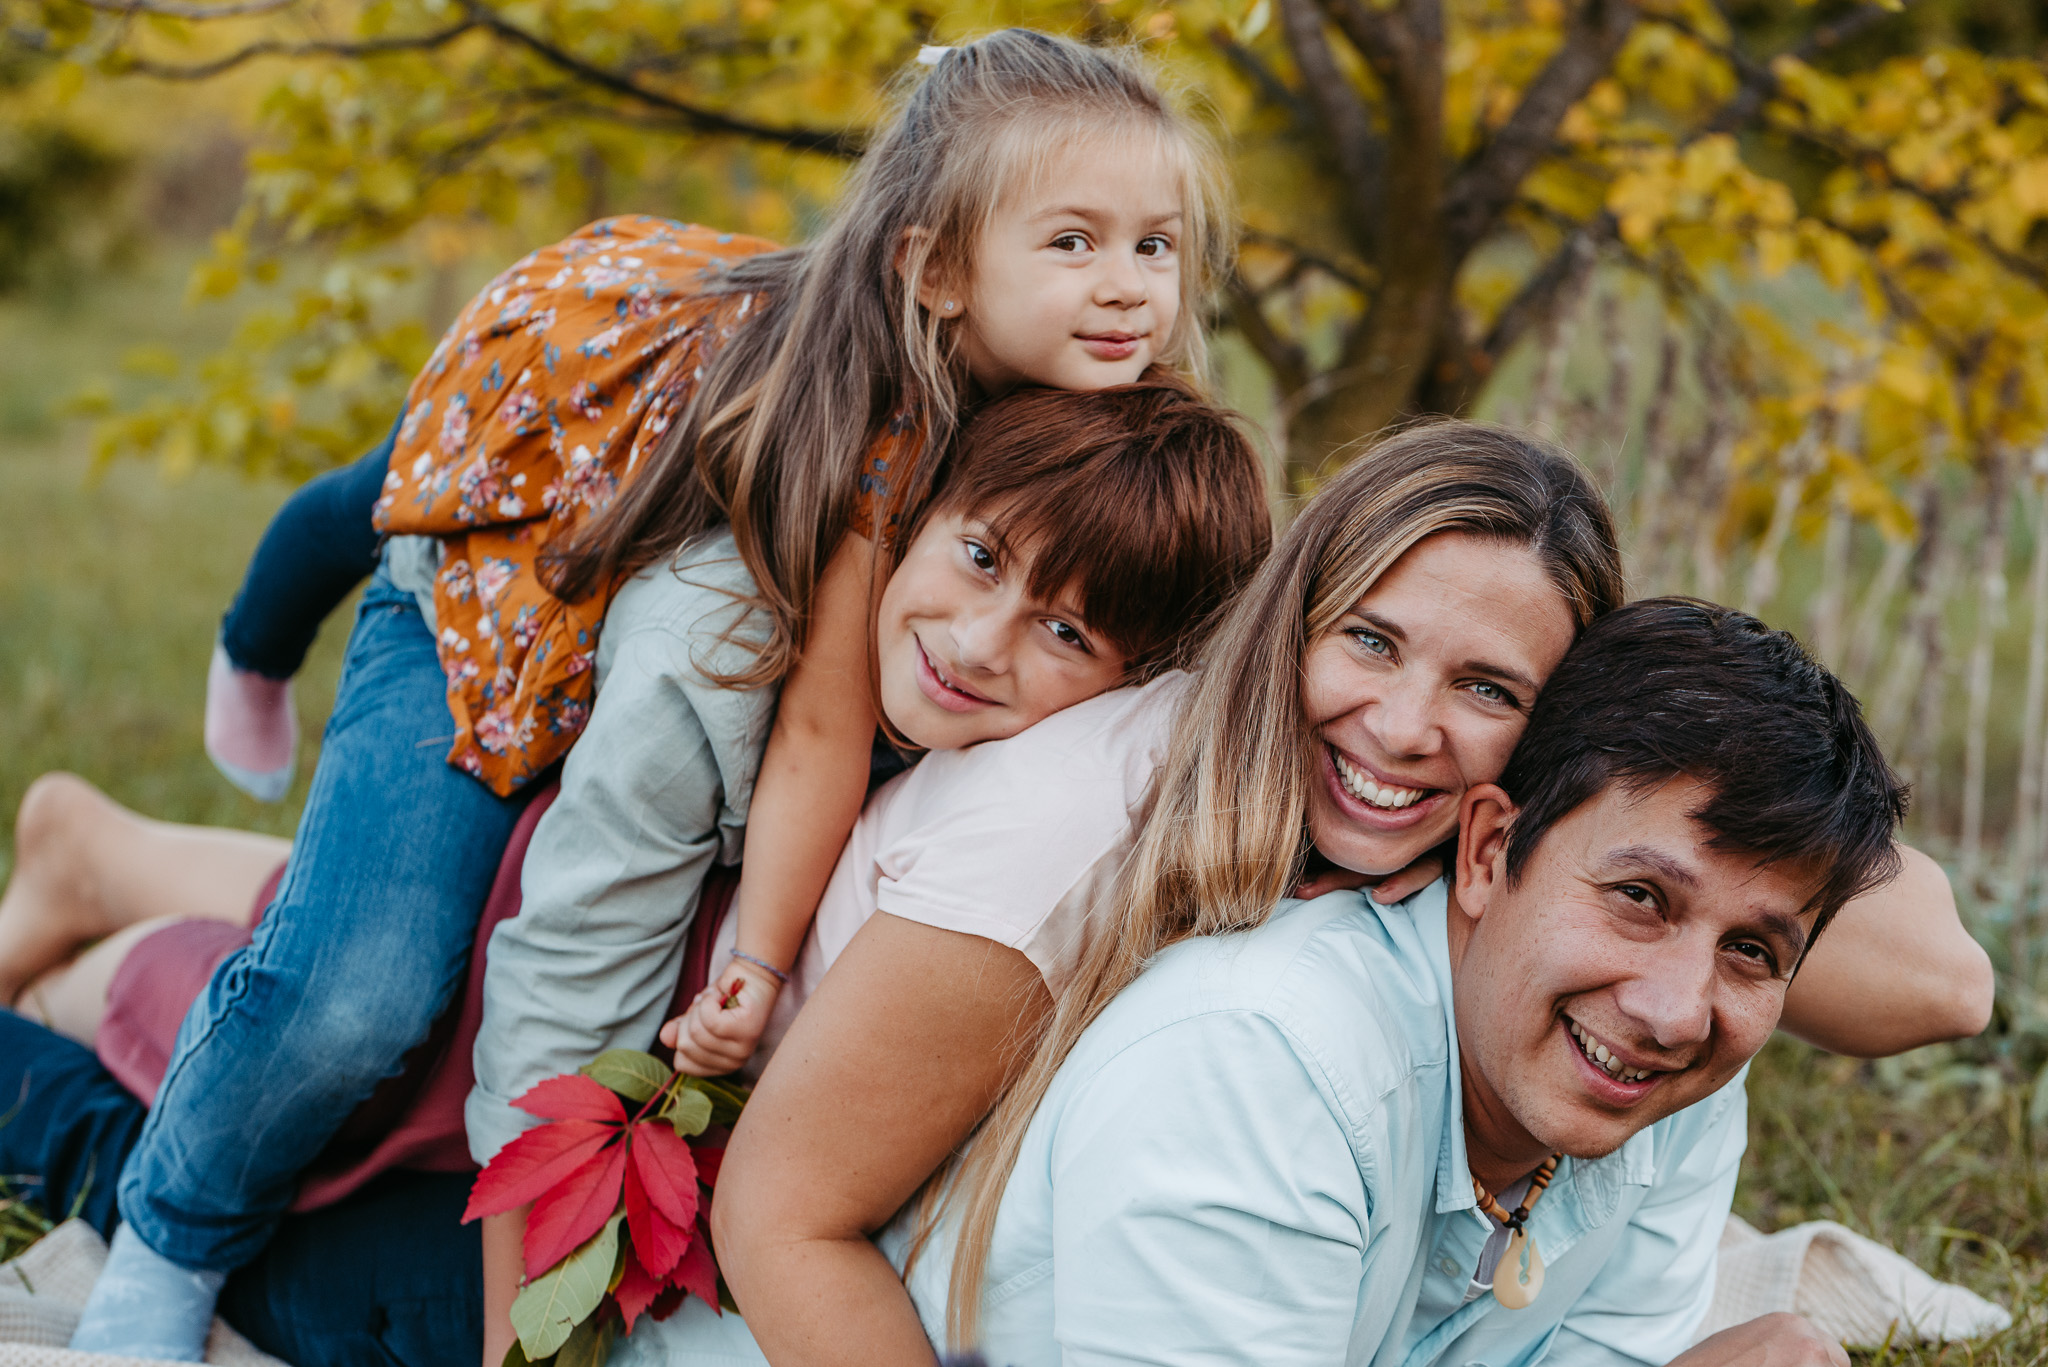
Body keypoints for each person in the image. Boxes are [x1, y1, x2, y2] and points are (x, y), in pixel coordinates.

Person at [64, 29, 1232, 1362]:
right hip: (495, 571)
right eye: (1075, 241)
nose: (1131, 285)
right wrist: (533, 1311)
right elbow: (765, 765)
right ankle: (167, 1230)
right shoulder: (741, 585)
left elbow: (843, 720)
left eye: (1158, 243)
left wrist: (759, 959)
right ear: (936, 268)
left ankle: (92, 853)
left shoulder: (1071, 415)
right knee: (365, 988)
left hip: (629, 411)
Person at [622, 424, 1989, 1365]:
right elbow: (786, 1213)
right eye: (1373, 641)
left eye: (1489, 688)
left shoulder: (1520, 897)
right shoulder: (1080, 834)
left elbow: (1941, 977)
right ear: (1293, 620)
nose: (1402, 727)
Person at [0, 375, 1272, 1367]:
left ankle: (96, 856)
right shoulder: (730, 656)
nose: (981, 643)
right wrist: (517, 1338)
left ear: (1134, 676)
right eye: (981, 559)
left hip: (626, 940)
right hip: (547, 959)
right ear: (916, 512)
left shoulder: (969, 727)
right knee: (304, 1045)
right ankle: (93, 942)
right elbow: (554, 983)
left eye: (1064, 632)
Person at [895, 598, 1904, 1367]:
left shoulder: (1677, 1093)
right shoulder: (1255, 1064)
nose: (1674, 1009)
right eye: (1638, 896)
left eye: (1751, 951)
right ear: (1486, 851)